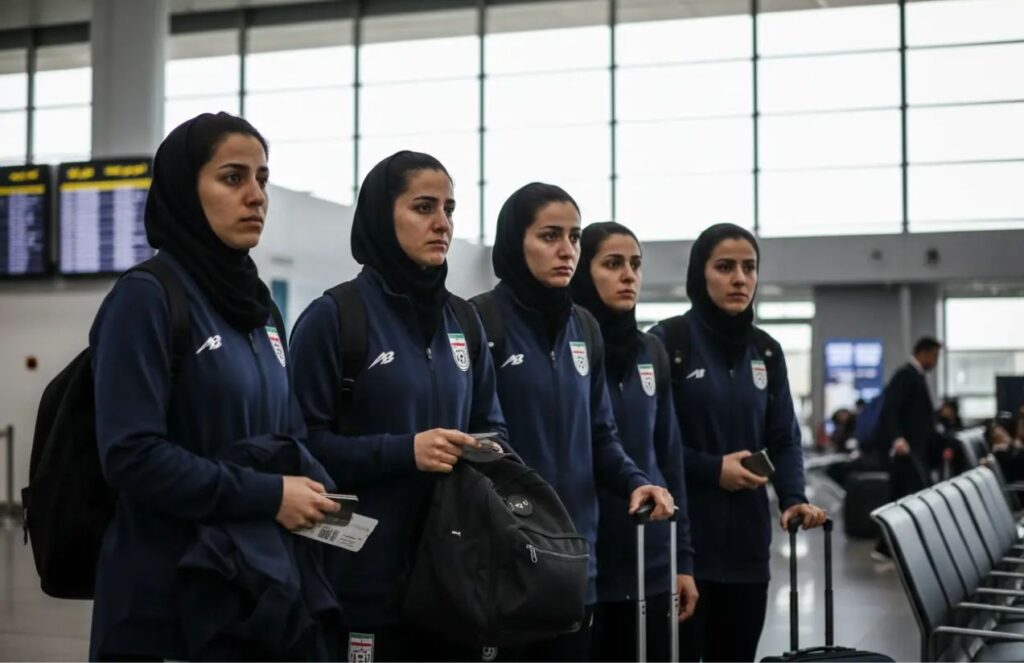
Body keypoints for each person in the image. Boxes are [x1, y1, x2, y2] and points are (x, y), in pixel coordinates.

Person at [89, 112, 341, 661]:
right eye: (233, 178)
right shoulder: (146, 299)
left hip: (252, 593)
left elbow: (287, 435)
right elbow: (131, 455)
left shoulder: (261, 309)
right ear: (186, 190)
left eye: (263, 179)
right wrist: (270, 495)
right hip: (168, 601)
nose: (256, 196)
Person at [289, 151, 508, 662]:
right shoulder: (334, 318)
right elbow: (301, 446)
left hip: (452, 579)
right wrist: (403, 451)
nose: (442, 224)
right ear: (382, 215)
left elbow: (493, 425)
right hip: (360, 580)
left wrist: (480, 449)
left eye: (450, 209)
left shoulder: (464, 321)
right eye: (424, 207)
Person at [472, 183, 674, 662]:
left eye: (575, 237)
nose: (567, 251)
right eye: (549, 236)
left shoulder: (585, 328)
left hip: (575, 561)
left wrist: (636, 481)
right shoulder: (478, 320)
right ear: (515, 242)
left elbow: (600, 434)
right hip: (504, 560)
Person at [649, 222, 827, 663]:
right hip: (684, 548)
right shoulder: (666, 343)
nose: (740, 279)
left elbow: (784, 438)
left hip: (748, 548)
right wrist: (713, 469)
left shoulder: (766, 351)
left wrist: (792, 497)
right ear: (700, 274)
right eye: (725, 267)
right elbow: (650, 448)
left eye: (749, 268)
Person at [569, 222, 698, 662]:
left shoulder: (652, 352)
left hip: (650, 560)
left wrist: (683, 561)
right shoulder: (567, 349)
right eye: (612, 264)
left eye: (636, 265)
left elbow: (669, 459)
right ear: (583, 271)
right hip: (581, 561)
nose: (629, 276)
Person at [877, 336, 943, 499]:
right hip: (908, 448)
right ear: (923, 353)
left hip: (917, 446)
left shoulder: (916, 376)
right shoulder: (905, 375)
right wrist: (898, 438)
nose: (936, 361)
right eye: (935, 355)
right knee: (910, 493)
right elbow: (890, 409)